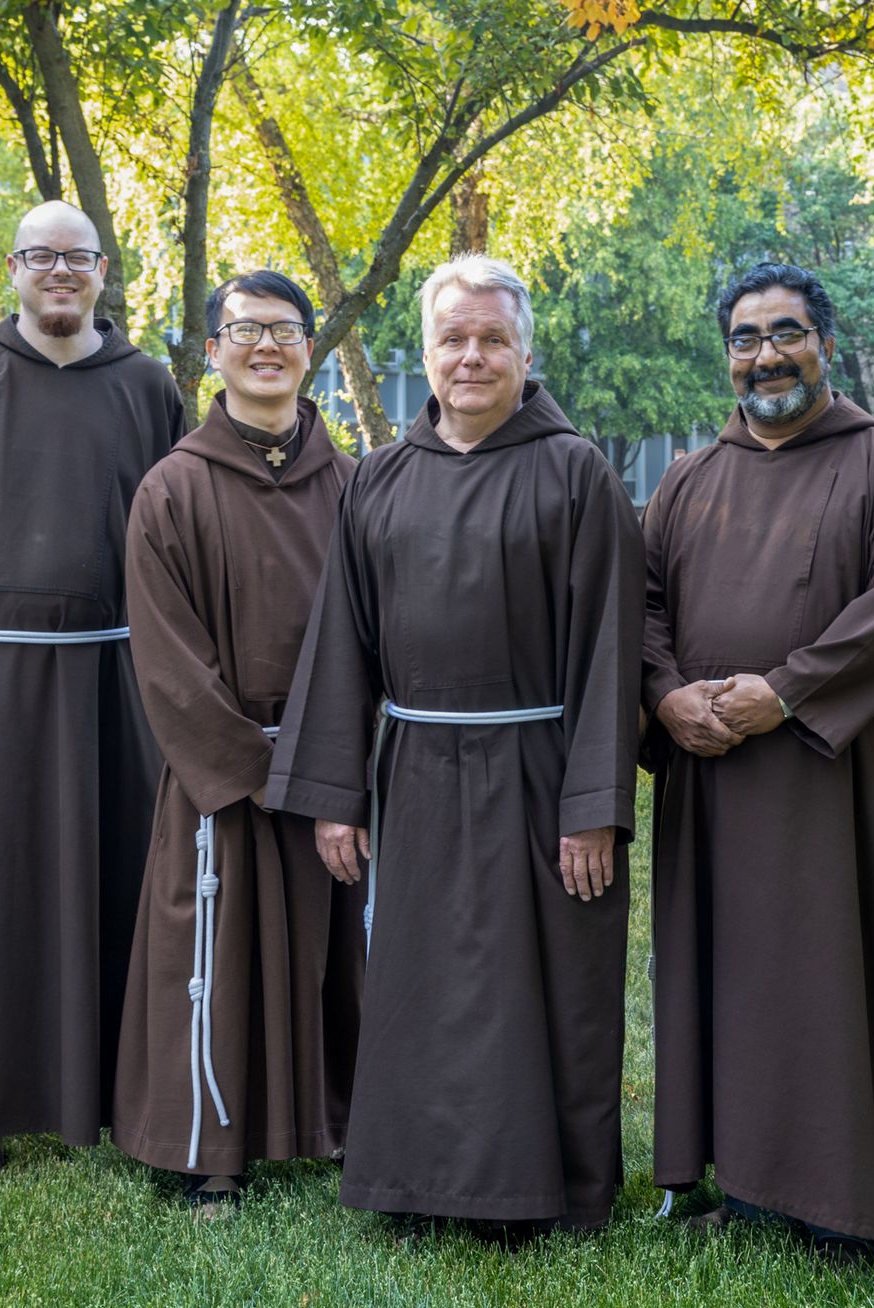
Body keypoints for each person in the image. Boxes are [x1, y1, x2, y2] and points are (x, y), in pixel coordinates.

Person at [265, 254, 642, 1232]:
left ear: (524, 351)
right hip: (418, 772)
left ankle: (545, 1189)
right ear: (424, 353)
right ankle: (415, 1181)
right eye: (451, 338)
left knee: (542, 985)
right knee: (418, 986)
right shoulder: (379, 479)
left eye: (490, 339)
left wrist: (592, 807)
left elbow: (610, 647)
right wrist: (336, 792)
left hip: (536, 771)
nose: (470, 356)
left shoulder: (576, 475)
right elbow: (342, 641)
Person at [642, 262, 874, 1254]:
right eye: (743, 336)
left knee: (834, 983)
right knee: (732, 985)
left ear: (824, 339)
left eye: (784, 331)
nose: (764, 353)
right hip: (715, 781)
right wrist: (664, 693)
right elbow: (642, 607)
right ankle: (748, 1188)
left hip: (835, 778)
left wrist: (787, 690)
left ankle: (847, 1203)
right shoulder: (689, 479)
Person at [0, 201, 185, 1183]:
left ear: (102, 270)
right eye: (40, 257)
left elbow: (171, 526)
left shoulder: (148, 385)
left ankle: (114, 1087)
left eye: (76, 259)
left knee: (122, 874)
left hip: (115, 670)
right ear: (14, 267)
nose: (58, 273)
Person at [112, 270, 363, 1217]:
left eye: (286, 330)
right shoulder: (172, 489)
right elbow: (168, 661)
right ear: (212, 352)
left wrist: (336, 763)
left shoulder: (355, 483)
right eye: (244, 330)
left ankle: (341, 1122)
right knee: (213, 953)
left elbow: (383, 632)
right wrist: (261, 771)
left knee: (345, 952)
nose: (267, 346)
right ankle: (211, 1150)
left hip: (335, 767)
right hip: (228, 771)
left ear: (311, 351)